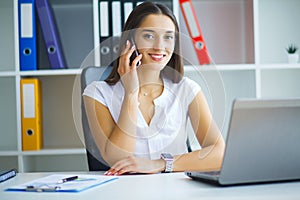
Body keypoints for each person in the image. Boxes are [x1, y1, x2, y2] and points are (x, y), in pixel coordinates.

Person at [83, 2, 225, 175]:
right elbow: (119, 159)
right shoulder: (97, 93)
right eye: (149, 36)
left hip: (178, 190)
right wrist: (131, 93)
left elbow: (219, 154)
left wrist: (160, 164)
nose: (159, 46)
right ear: (130, 40)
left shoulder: (186, 88)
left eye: (168, 37)